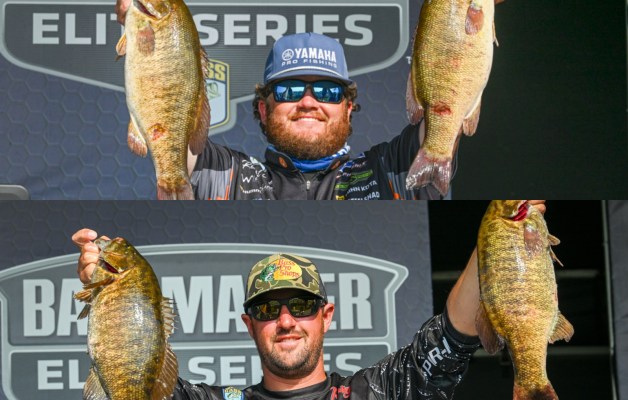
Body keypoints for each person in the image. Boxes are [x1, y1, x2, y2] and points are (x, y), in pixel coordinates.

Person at [70, 201, 546, 399]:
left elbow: (454, 335)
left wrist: (500, 232)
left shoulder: (375, 392)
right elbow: (137, 381)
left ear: (326, 315)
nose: (285, 320)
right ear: (248, 324)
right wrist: (112, 293)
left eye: (300, 306)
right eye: (267, 309)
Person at [115, 0, 442, 200]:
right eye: (290, 90)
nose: (308, 102)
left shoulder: (390, 169)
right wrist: (150, 29)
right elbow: (174, 140)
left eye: (327, 91)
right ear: (263, 108)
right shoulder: (229, 174)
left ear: (348, 108)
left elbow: (447, 103)